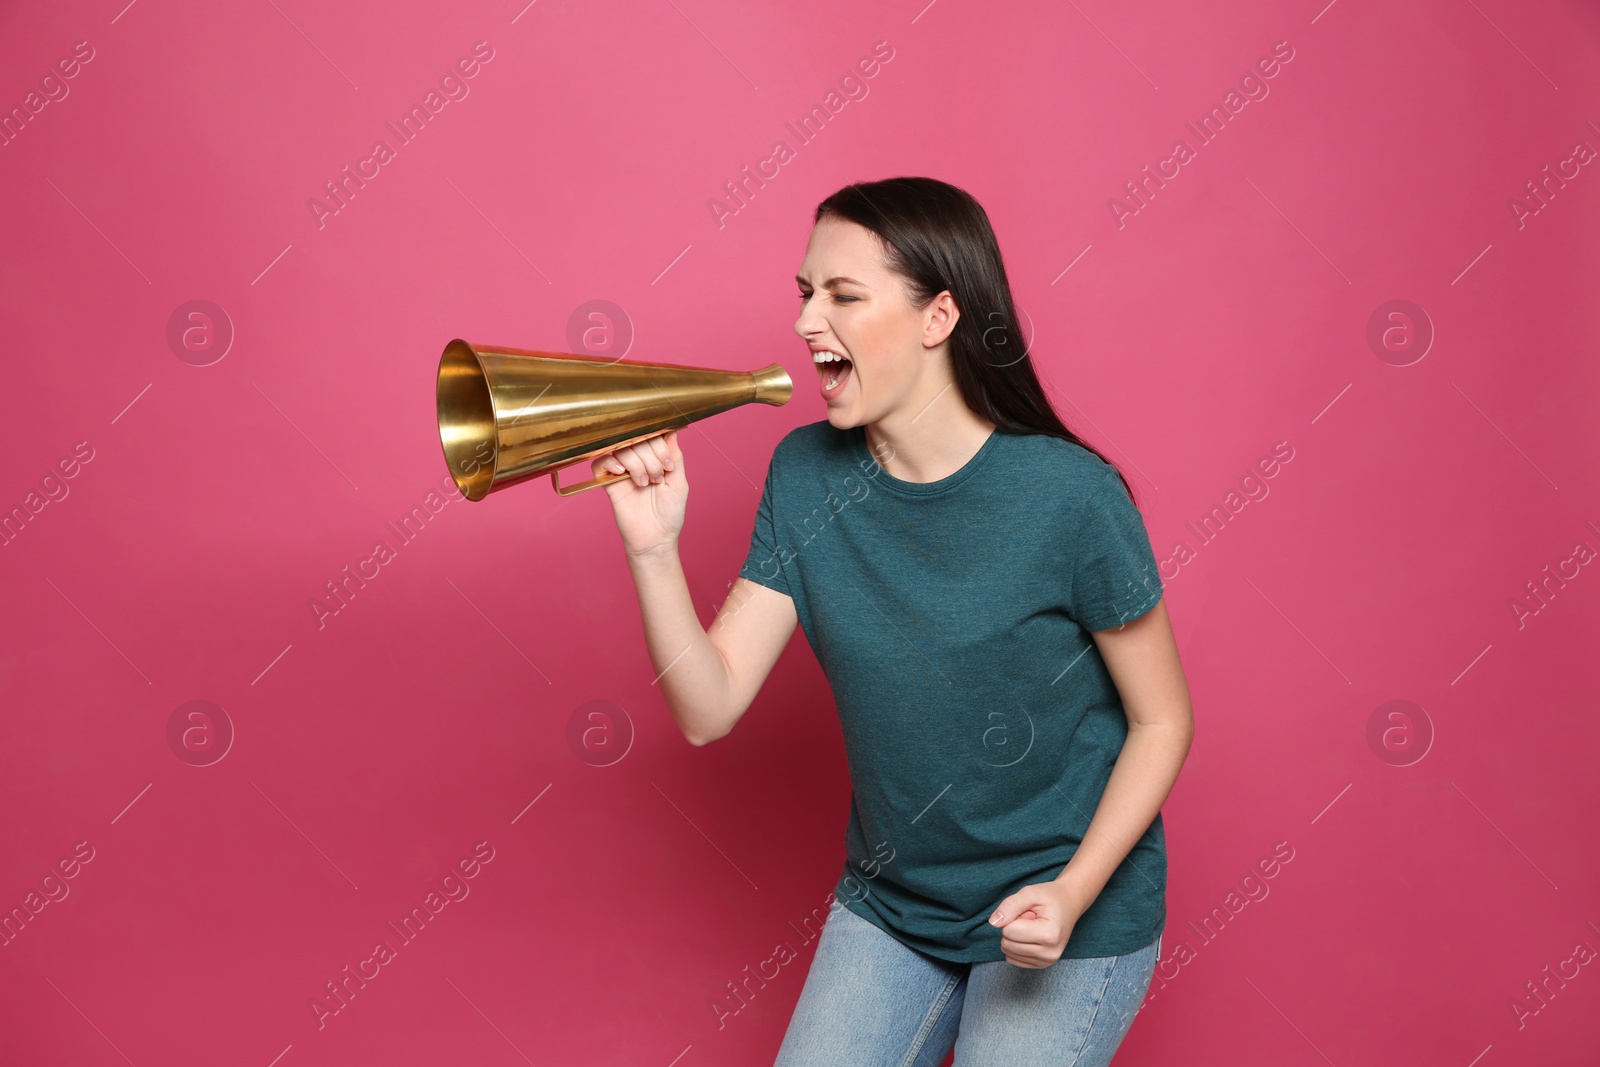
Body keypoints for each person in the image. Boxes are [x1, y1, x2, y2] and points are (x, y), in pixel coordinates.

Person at [591, 176, 1194, 1066]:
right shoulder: (807, 473)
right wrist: (653, 549)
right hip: (896, 904)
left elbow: (1162, 718)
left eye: (842, 295)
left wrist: (1072, 892)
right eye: (805, 293)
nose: (805, 322)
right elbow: (707, 706)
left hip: (1068, 903)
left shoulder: (1070, 497)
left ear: (937, 316)